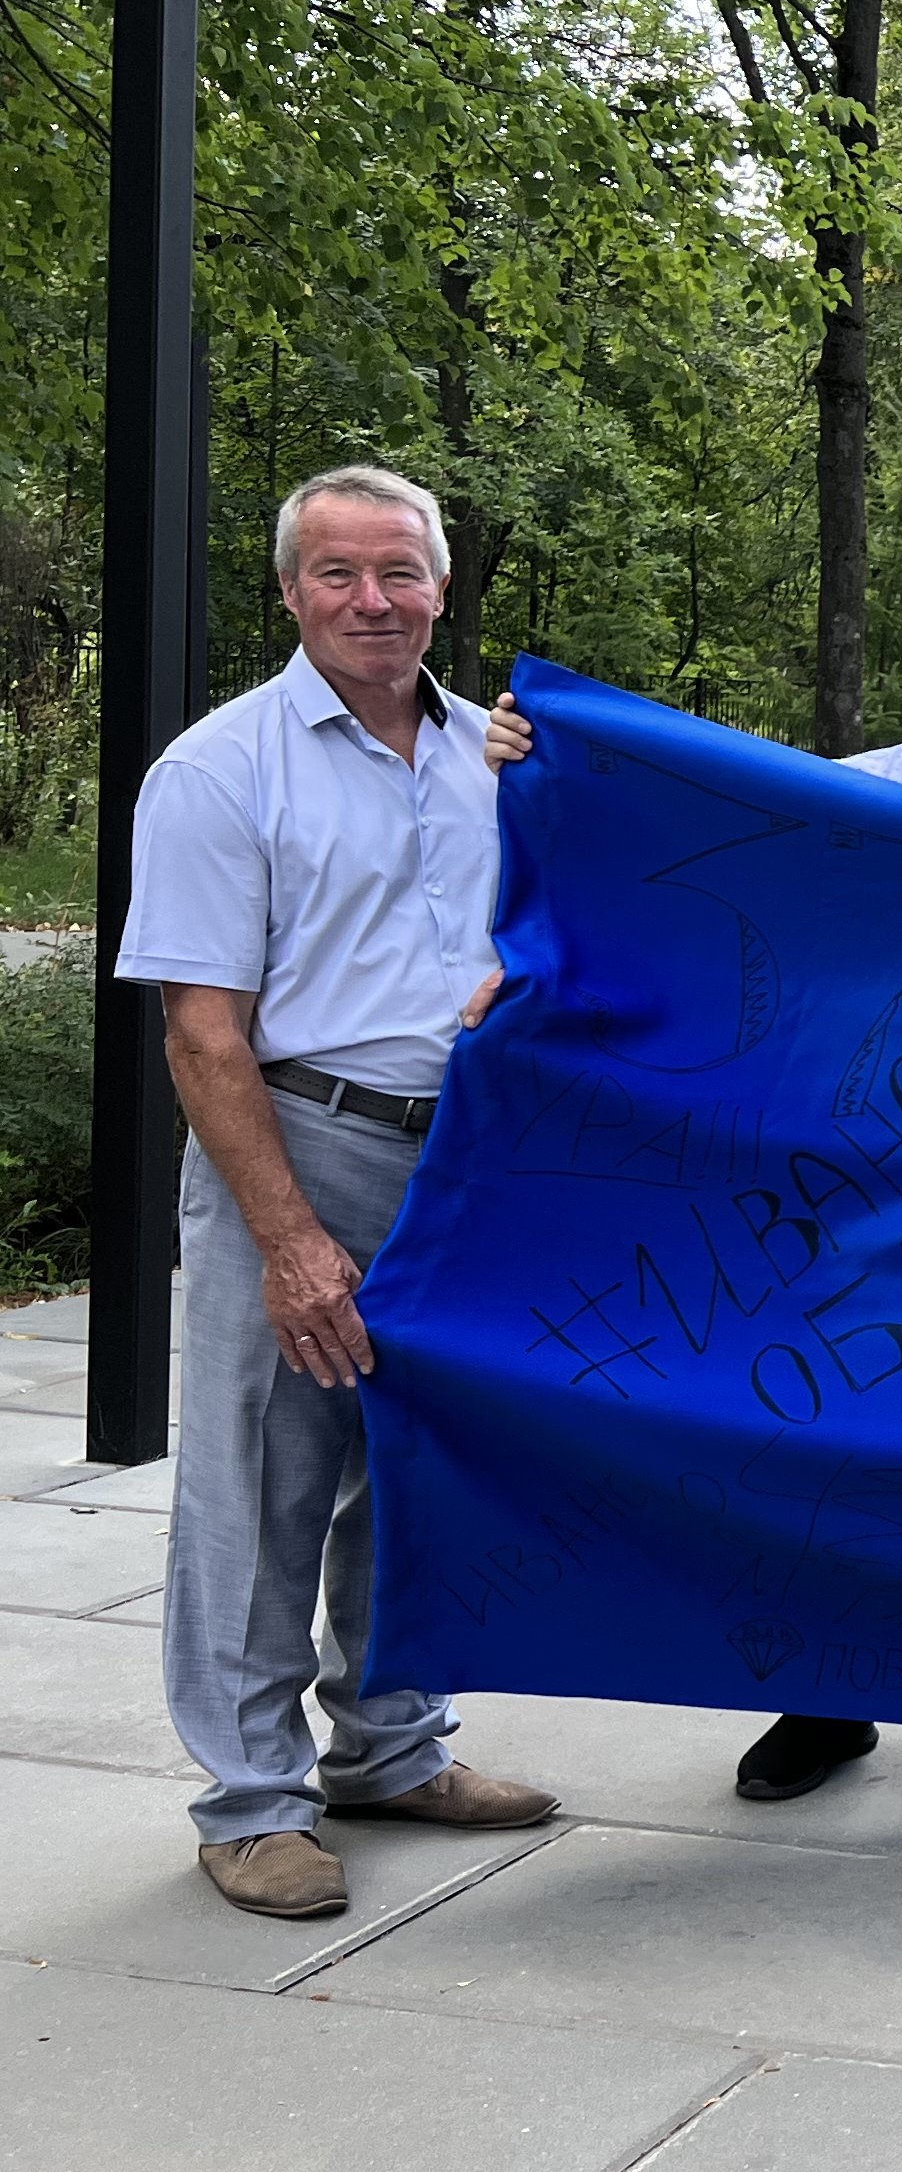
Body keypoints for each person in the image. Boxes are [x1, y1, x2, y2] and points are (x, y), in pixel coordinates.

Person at [485, 558, 902, 1802]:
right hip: (853, 1182)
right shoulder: (832, 804)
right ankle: (825, 1697)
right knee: (838, 1431)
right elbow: (697, 924)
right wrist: (548, 763)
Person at [116, 465, 560, 1918]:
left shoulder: (489, 754)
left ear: (441, 586)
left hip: (470, 1161)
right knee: (266, 1475)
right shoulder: (219, 770)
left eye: (400, 574)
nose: (373, 602)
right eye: (339, 575)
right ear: (291, 592)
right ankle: (251, 1801)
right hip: (306, 1146)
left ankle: (391, 1745)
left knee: (416, 1468)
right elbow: (201, 1032)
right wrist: (287, 1236)